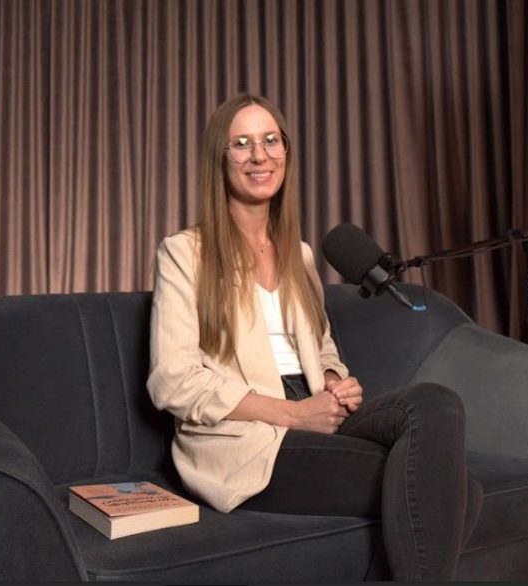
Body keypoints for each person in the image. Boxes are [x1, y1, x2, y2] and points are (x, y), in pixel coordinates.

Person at [147, 93, 472, 581]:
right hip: (248, 438)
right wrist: (293, 414)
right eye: (242, 143)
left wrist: (334, 381)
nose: (260, 155)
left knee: (435, 403)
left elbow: (320, 347)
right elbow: (173, 380)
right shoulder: (183, 253)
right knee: (453, 491)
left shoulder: (297, 254)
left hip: (316, 410)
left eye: (270, 140)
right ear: (220, 157)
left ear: (286, 151)